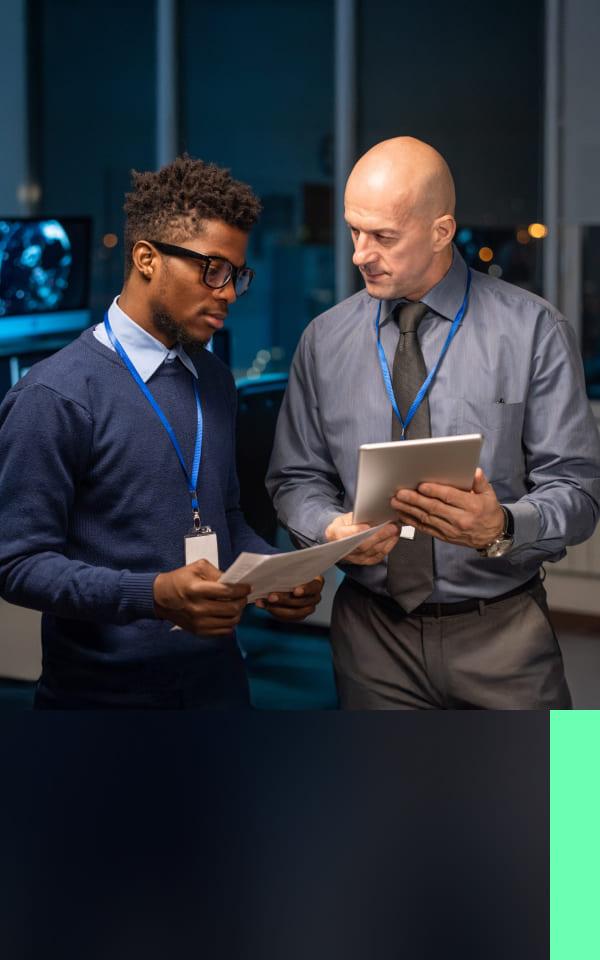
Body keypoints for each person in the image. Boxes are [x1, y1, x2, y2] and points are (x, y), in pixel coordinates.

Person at [267, 136, 600, 710]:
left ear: (442, 231)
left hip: (506, 631)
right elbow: (293, 479)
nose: (359, 254)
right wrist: (328, 529)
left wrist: (501, 526)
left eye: (383, 237)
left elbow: (580, 493)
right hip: (370, 636)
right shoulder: (322, 341)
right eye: (354, 231)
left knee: (569, 799)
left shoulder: (535, 330)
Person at [0, 156, 323, 709]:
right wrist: (152, 595)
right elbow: (17, 564)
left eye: (237, 276)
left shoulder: (216, 380)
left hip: (219, 686)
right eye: (212, 269)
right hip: (101, 701)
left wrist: (273, 575)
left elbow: (225, 518)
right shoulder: (53, 395)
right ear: (147, 258)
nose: (228, 293)